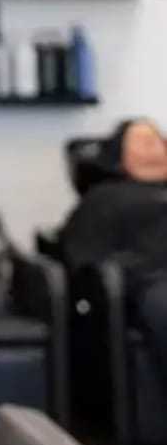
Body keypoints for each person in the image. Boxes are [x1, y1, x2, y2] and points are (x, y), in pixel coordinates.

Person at [60, 118, 167, 361]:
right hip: (150, 282)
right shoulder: (103, 198)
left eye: (157, 141)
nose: (153, 147)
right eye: (142, 142)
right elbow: (85, 256)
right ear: (120, 156)